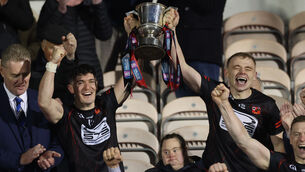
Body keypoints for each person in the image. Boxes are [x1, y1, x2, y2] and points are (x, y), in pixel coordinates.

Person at [164, 9, 284, 171]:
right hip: (211, 168)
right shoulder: (216, 91)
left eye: (248, 69)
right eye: (237, 67)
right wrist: (171, 31)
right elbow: (183, 68)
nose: (242, 72)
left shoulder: (267, 104)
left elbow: (278, 143)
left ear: (254, 75)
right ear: (227, 73)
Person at [37, 15, 138, 172]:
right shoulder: (66, 114)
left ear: (97, 85)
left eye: (91, 82)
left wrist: (132, 36)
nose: (87, 87)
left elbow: (130, 76)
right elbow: (43, 102)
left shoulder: (106, 103)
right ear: (71, 89)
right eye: (80, 83)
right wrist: (52, 64)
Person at [211, 83, 305, 172]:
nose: (302, 138)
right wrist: (224, 104)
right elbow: (244, 140)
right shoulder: (281, 163)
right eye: (296, 134)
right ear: (290, 139)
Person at [0, 44, 63, 171]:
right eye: (15, 75)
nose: (22, 81)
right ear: (2, 71)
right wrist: (20, 159)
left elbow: (60, 140)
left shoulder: (43, 100)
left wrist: (51, 156)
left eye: (26, 74)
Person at [36, 0, 113, 89]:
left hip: (90, 68)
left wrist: (98, 4)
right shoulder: (53, 3)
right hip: (63, 73)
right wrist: (61, 9)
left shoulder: (89, 4)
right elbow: (42, 34)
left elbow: (105, 34)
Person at [159, 0, 226, 97]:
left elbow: (209, 6)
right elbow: (162, 6)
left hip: (205, 52)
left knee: (209, 102)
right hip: (178, 48)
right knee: (185, 106)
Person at [31, 24, 77, 106]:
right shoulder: (32, 69)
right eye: (53, 48)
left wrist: (70, 56)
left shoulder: (71, 65)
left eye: (62, 48)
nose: (57, 53)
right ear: (43, 46)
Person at [145, 133, 228, 172]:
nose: (171, 155)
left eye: (175, 150)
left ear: (184, 151)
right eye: (166, 152)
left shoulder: (199, 170)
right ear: (161, 155)